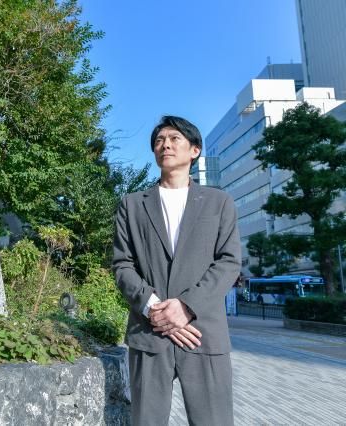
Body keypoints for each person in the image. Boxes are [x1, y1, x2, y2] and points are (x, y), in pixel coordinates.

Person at [112, 116, 241, 425]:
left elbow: (228, 261)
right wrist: (155, 309)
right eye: (159, 140)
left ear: (194, 150)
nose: (165, 145)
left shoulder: (218, 202)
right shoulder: (132, 204)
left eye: (174, 138)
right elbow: (122, 264)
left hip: (202, 332)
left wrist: (186, 307)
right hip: (149, 332)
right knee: (146, 420)